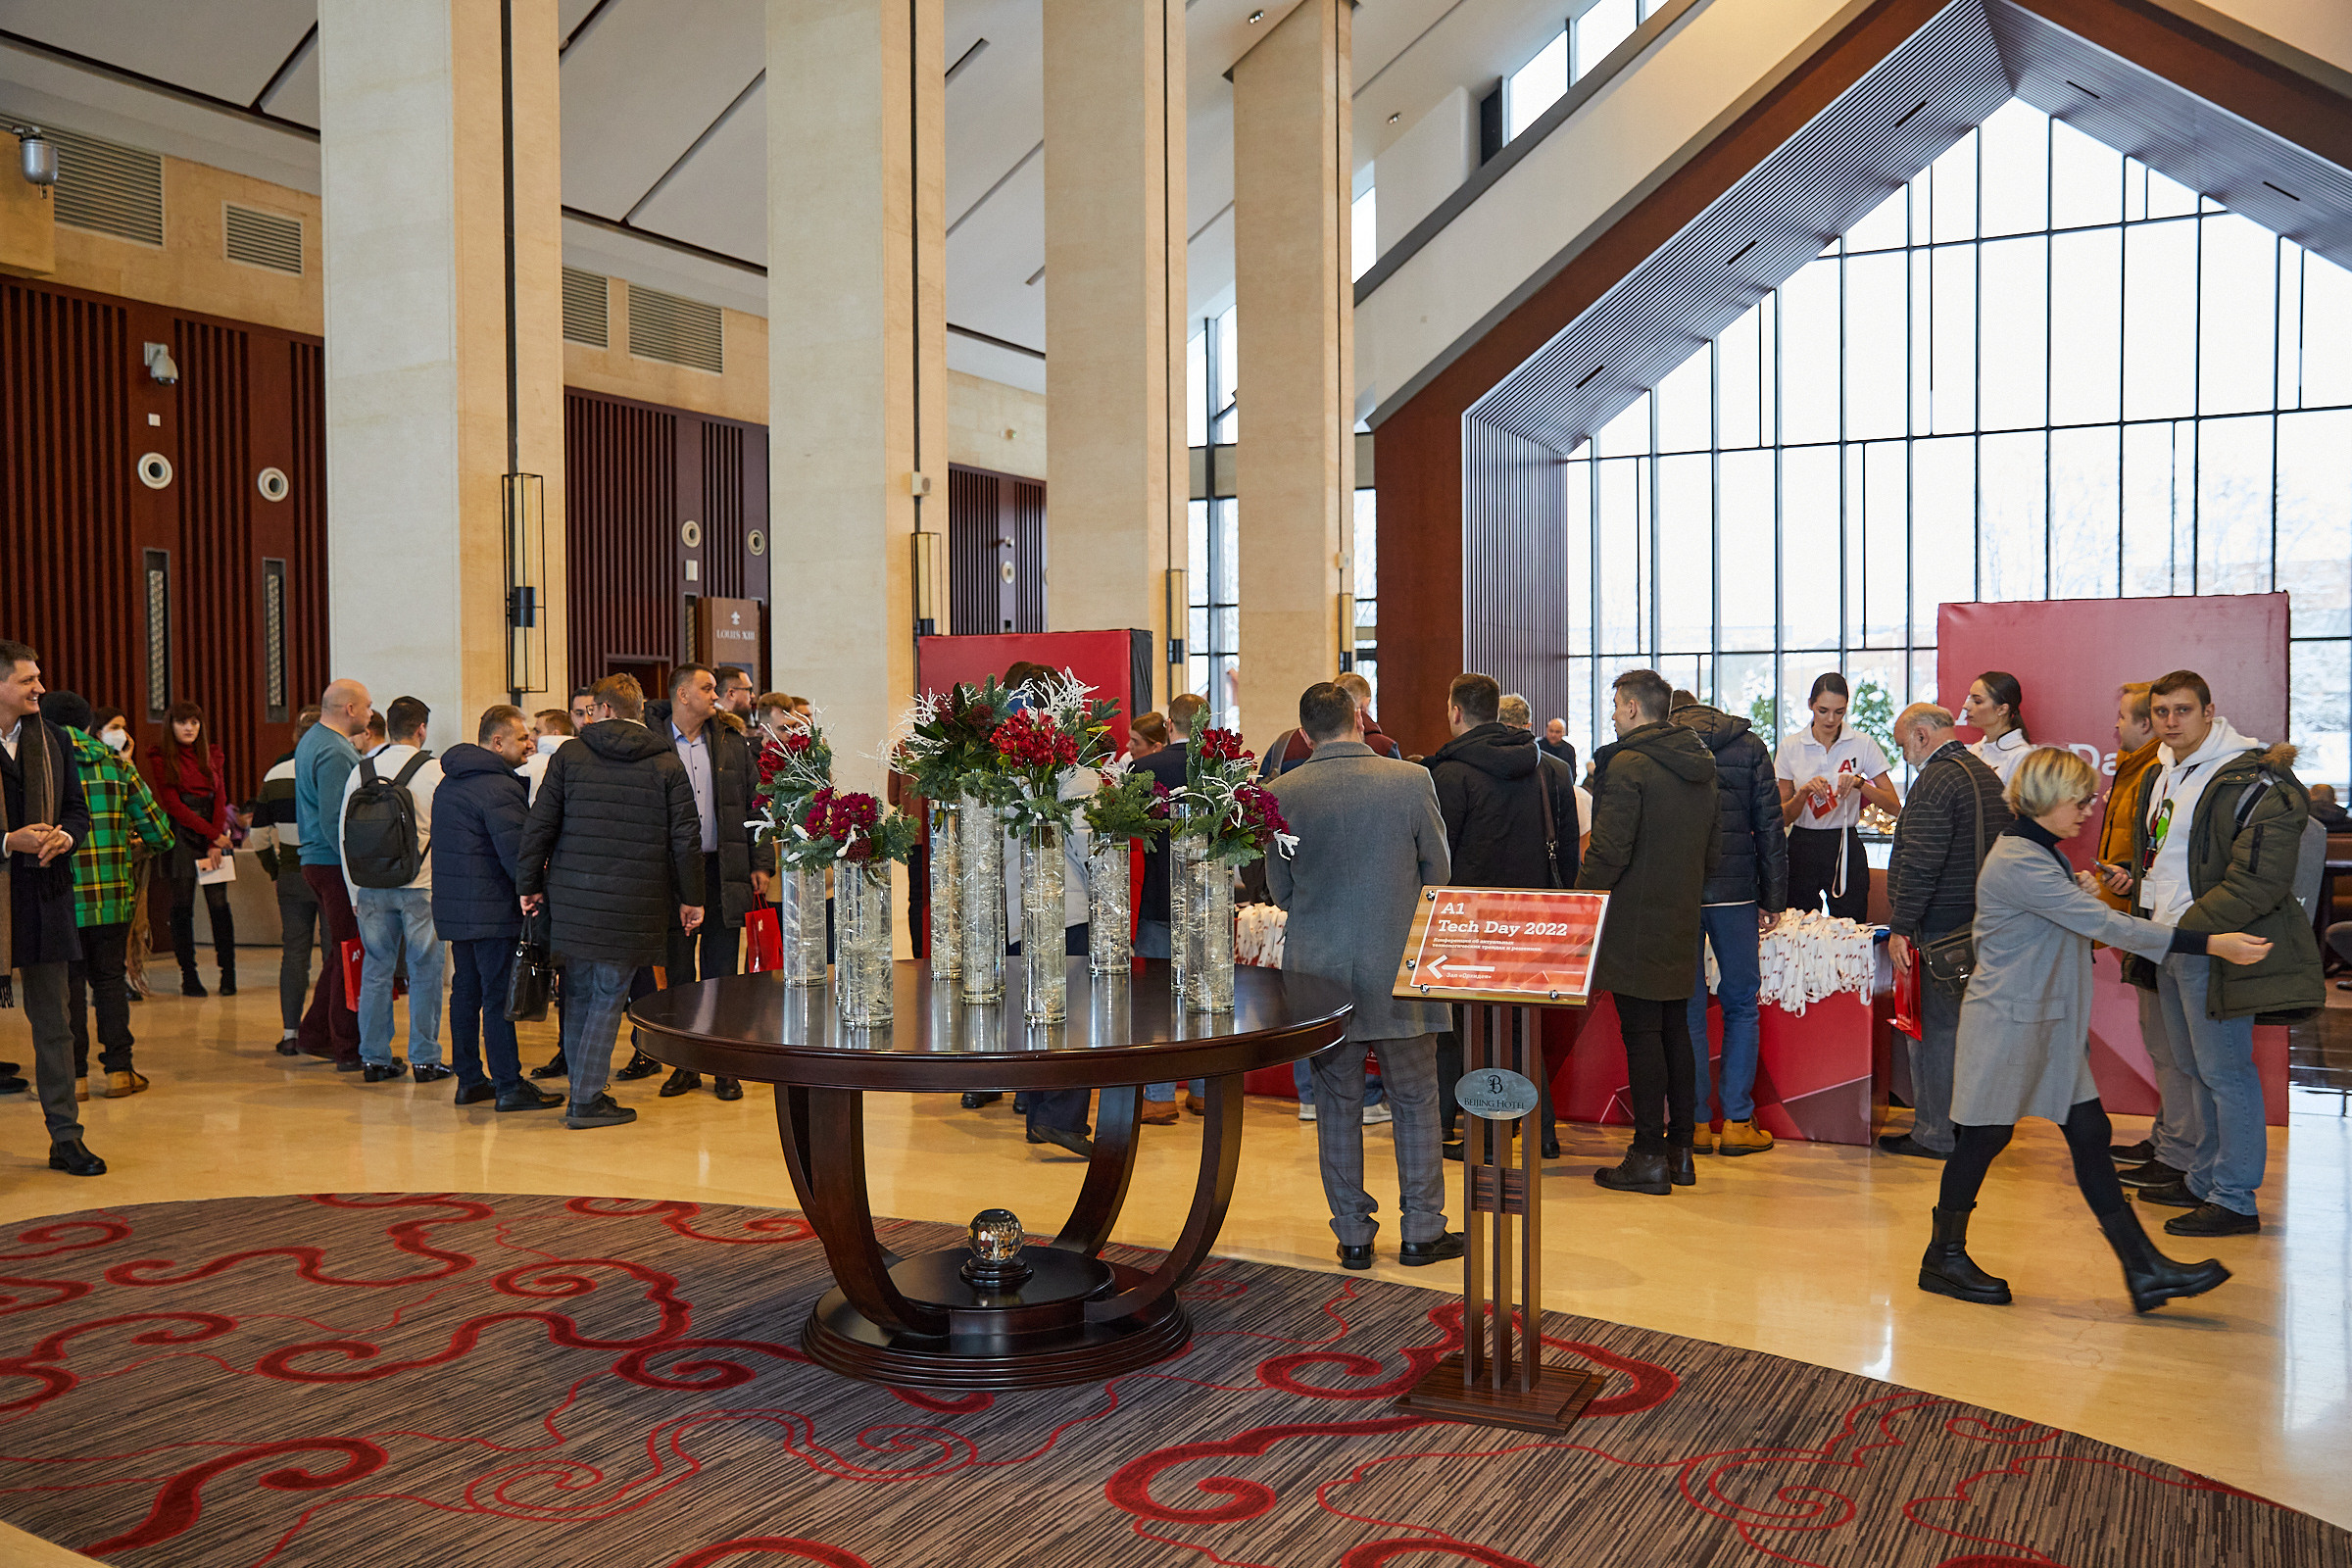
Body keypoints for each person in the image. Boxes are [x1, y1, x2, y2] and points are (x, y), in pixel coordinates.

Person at [1921, 746, 2263, 1313]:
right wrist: (2212, 944)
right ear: (2046, 800)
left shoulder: (2038, 852)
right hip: (2009, 1023)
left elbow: (2062, 917)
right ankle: (1943, 1257)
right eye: (2079, 799)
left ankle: (2143, 1268)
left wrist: (2079, 889)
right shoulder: (2019, 859)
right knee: (1983, 1139)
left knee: (2088, 1134)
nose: (2089, 807)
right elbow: (2103, 924)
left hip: (2042, 1025)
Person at [2101, 670, 2324, 1237]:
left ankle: (2235, 1198)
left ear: (2209, 711)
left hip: (2212, 945)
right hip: (2169, 940)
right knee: (2192, 1069)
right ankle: (2201, 1179)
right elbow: (2168, 862)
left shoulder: (2258, 780)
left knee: (2227, 1074)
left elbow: (2258, 882)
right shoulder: (2161, 772)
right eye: (2160, 713)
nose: (2170, 722)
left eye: (2182, 710)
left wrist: (2190, 934)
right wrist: (2134, 885)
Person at [1266, 682, 1461, 1270]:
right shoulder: (1410, 781)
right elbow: (1440, 871)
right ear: (1359, 716)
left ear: (1303, 733)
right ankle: (1422, 1230)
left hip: (1319, 968)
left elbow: (1279, 890)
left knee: (1335, 1102)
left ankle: (1353, 1234)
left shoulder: (1280, 792)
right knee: (1416, 1098)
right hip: (1399, 961)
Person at [515, 673, 703, 1130]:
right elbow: (686, 840)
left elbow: (540, 824)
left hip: (573, 897)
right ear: (638, 710)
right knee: (608, 996)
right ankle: (585, 1098)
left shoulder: (570, 756)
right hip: (635, 899)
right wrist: (691, 897)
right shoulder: (666, 763)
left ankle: (584, 1089)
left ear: (601, 709)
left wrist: (528, 883)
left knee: (578, 993)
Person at [1423, 672, 1582, 1157]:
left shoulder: (1448, 774)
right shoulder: (1550, 769)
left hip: (1468, 918)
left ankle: (1486, 1137)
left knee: (1471, 1031)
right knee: (1522, 1029)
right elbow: (1569, 850)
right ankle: (1543, 1134)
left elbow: (1439, 855)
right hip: (1534, 916)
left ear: (1454, 711)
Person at [1578, 668, 1721, 1195]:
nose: (1614, 714)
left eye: (1617, 705)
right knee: (1675, 1032)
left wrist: (1580, 900)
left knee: (1642, 1039)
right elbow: (1714, 850)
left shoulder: (1628, 765)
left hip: (1634, 921)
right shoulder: (1701, 766)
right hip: (1682, 914)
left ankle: (1647, 1155)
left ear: (1634, 707)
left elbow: (1609, 851)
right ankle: (1681, 1151)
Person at [1882, 703, 2013, 1161]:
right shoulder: (1983, 773)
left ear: (1921, 735)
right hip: (1983, 925)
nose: (1905, 756)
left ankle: (1934, 1132)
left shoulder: (1935, 780)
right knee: (1968, 1035)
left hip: (1939, 931)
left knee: (1932, 1036)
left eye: (1902, 745)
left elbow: (1920, 862)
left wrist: (1900, 926)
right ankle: (1966, 1128)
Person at [1669, 688, 1789, 1155]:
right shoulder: (1750, 745)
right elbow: (1770, 824)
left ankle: (1696, 1123)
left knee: (1688, 1009)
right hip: (1737, 892)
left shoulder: (1665, 745)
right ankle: (1738, 1122)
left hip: (1680, 891)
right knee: (1741, 1004)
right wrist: (1773, 896)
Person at [0, 641, 103, 1175]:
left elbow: (77, 810)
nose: (40, 688)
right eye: (27, 680)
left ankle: (65, 1137)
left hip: (46, 896)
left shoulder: (55, 738)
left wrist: (68, 838)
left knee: (56, 1025)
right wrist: (5, 841)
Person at [430, 706, 562, 1114]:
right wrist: (535, 890)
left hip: (457, 908)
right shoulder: (498, 788)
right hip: (491, 910)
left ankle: (469, 1079)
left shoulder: (450, 782)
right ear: (497, 741)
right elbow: (517, 855)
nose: (530, 743)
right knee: (497, 996)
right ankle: (508, 1084)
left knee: (465, 993)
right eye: (523, 737)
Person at [44, 691, 172, 1102]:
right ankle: (119, 1071)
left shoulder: (41, 765)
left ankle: (75, 1078)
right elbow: (159, 832)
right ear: (88, 725)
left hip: (59, 897)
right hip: (114, 896)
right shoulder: (117, 765)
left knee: (70, 987)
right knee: (110, 981)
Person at [654, 663, 773, 1102]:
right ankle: (685, 1066)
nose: (715, 696)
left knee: (722, 975)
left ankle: (724, 1067)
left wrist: (761, 860)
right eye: (707, 689)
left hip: (724, 869)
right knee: (681, 976)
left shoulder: (729, 740)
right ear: (682, 695)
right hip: (673, 875)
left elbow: (756, 802)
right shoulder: (655, 742)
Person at [342, 695, 449, 1084]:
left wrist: (354, 891)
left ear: (386, 727)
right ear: (422, 728)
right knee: (425, 971)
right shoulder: (435, 771)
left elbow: (344, 833)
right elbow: (449, 833)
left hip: (371, 886)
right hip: (422, 886)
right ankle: (424, 1059)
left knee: (375, 970)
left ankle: (374, 1058)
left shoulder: (362, 770)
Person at [2095, 682, 2177, 1170]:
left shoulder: (2155, 771)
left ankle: (2175, 1148)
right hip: (2131, 917)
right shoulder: (2135, 769)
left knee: (2172, 1045)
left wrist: (2130, 876)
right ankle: (2168, 1139)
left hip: (2151, 923)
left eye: (2123, 717)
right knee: (2161, 1042)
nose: (2116, 726)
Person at [1133, 692, 1208, 1124]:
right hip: (1206, 902)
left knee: (1158, 999)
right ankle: (1202, 1092)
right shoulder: (1220, 770)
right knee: (1203, 996)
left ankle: (1160, 1096)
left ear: (1169, 725)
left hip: (1159, 897)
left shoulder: (1146, 768)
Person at [295, 679, 373, 1068]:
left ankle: (314, 1032)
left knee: (338, 951)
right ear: (350, 710)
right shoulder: (335, 750)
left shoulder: (312, 739)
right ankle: (348, 1046)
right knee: (350, 952)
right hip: (331, 861)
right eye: (368, 707)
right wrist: (356, 872)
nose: (372, 714)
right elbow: (335, 821)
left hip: (316, 859)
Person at [1775, 673, 1897, 920]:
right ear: (1810, 705)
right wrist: (1804, 792)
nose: (1831, 719)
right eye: (1823, 710)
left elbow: (1894, 805)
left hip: (1845, 842)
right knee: (1798, 925)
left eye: (1839, 712)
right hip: (1802, 843)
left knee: (1851, 923)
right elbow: (1782, 817)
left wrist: (1860, 783)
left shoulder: (1861, 743)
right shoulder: (1791, 746)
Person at [148, 700, 236, 997]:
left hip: (212, 837)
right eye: (182, 722)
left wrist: (214, 842)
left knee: (219, 905)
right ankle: (189, 975)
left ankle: (228, 973)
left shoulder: (212, 754)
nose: (189, 728)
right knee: (182, 906)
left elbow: (220, 799)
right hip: (183, 835)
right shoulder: (161, 757)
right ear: (171, 725)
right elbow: (173, 805)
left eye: (194, 723)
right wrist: (214, 835)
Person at [252, 705, 324, 1054]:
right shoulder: (332, 765)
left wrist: (274, 869)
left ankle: (291, 1034)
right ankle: (328, 1031)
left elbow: (258, 835)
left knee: (294, 955)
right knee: (334, 954)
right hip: (328, 872)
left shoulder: (275, 773)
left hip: (292, 874)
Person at [1255, 671, 1402, 778]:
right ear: (1361, 713)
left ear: (1305, 734)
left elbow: (1262, 799)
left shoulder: (1284, 744)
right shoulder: (1384, 747)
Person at [1963, 670, 2031, 785]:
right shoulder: (1975, 750)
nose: (1966, 706)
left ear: (2002, 709)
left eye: (1977, 701)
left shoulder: (2021, 756)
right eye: (1969, 699)